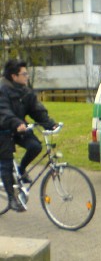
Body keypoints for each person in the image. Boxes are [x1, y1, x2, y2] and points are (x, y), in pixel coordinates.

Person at [0, 59, 57, 212]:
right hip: (3, 129)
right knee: (5, 162)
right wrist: (16, 123)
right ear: (14, 76)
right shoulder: (2, 89)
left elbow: (36, 109)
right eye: (24, 74)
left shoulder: (25, 90)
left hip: (19, 127)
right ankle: (12, 199)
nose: (27, 76)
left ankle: (21, 170)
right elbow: (3, 110)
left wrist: (51, 124)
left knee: (35, 146)